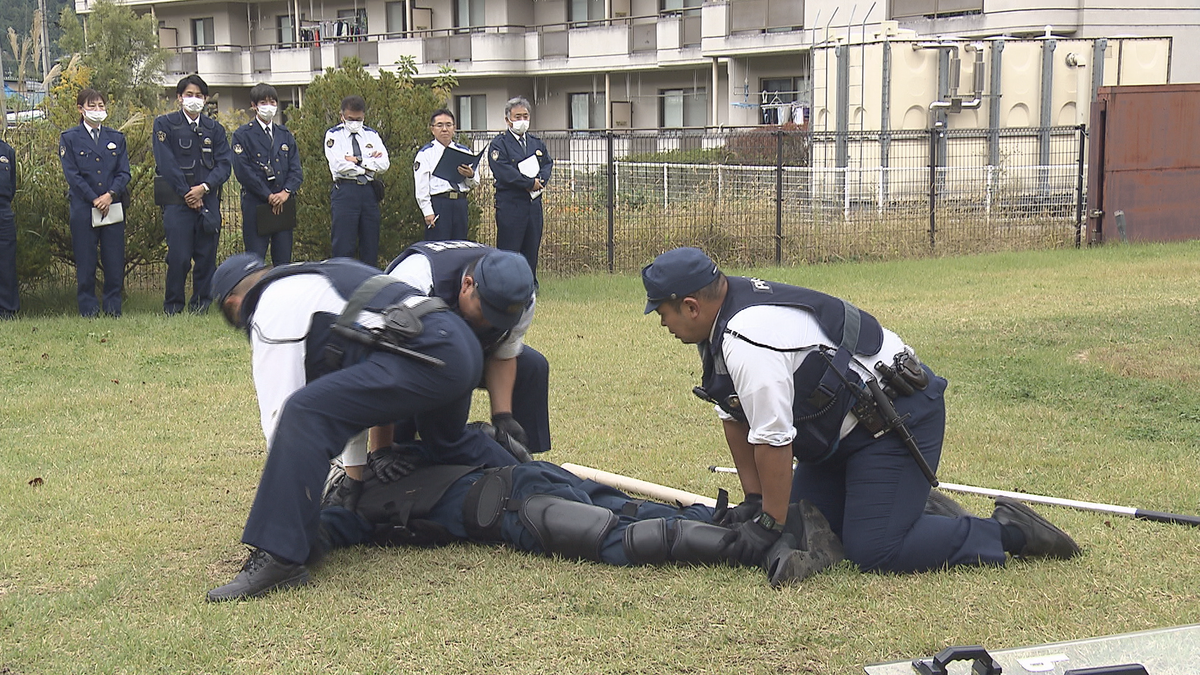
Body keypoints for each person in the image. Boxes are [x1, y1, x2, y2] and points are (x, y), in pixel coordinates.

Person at [641, 247, 1082, 574]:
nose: (662, 324)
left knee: (874, 550)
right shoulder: (719, 325)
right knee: (806, 523)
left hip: (896, 422)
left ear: (692, 306)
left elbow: (774, 439)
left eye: (663, 313)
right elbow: (734, 416)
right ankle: (903, 503)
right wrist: (757, 502)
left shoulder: (746, 338)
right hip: (843, 437)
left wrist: (769, 524)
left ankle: (1007, 531)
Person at [204, 250, 535, 601]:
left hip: (433, 354)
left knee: (301, 412)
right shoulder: (318, 276)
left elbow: (285, 418)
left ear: (234, 303)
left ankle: (279, 556)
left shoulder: (270, 309)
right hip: (456, 345)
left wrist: (295, 511)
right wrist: (355, 473)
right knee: (449, 442)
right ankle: (537, 481)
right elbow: (351, 387)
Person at [315, 444, 846, 588]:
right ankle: (776, 524)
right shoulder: (393, 455)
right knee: (630, 513)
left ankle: (757, 547)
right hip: (530, 481)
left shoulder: (356, 498)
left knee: (618, 538)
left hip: (511, 506)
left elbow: (323, 529)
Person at [385, 240, 551, 454]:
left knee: (532, 366)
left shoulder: (519, 295)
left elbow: (503, 353)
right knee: (452, 369)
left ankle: (523, 463)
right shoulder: (413, 284)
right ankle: (410, 448)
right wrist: (382, 449)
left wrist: (503, 417)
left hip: (465, 350)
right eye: (487, 313)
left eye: (501, 319)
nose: (491, 325)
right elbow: (385, 362)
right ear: (467, 285)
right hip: (413, 358)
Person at [152, 74, 232, 315]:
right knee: (179, 257)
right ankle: (173, 306)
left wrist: (203, 189)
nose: (194, 99)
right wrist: (187, 193)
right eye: (189, 95)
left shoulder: (214, 129)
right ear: (179, 98)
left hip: (207, 200)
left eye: (198, 96)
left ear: (206, 99)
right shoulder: (165, 125)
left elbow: (224, 164)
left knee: (206, 257)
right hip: (177, 202)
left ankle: (202, 305)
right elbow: (166, 163)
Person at [59, 88, 131, 318]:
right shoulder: (69, 138)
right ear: (80, 109)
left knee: (113, 259)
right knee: (86, 260)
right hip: (83, 207)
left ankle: (112, 308)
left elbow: (124, 172)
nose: (98, 111)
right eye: (92, 106)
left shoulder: (116, 138)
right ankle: (88, 309)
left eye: (101, 106)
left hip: (112, 206)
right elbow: (72, 175)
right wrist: (94, 198)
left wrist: (110, 195)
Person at [231, 83, 302, 265]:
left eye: (272, 101)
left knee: (283, 261)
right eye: (263, 102)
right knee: (255, 262)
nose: (268, 106)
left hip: (283, 204)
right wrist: (268, 195)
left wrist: (285, 193)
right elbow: (243, 171)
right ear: (254, 105)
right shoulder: (242, 135)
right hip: (257, 204)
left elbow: (295, 169)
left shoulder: (284, 134)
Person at [487, 97, 552, 280]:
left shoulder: (535, 143)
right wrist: (528, 183)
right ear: (508, 120)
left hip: (533, 205)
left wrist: (541, 180)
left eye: (525, 116)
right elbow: (503, 171)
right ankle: (506, 284)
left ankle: (529, 284)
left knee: (531, 247)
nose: (522, 120)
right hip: (511, 205)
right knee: (509, 249)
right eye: (517, 117)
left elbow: (547, 163)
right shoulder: (499, 144)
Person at [325, 95, 389, 266]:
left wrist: (358, 160)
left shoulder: (371, 135)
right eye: (350, 119)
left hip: (368, 192)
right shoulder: (334, 135)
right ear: (342, 116)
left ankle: (369, 287)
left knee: (370, 244)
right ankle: (342, 284)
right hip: (346, 191)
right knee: (343, 245)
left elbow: (384, 164)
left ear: (364, 116)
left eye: (358, 119)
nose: (354, 122)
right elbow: (339, 165)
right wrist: (369, 163)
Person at [413, 108, 478, 242]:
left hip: (460, 203)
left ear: (454, 128)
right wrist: (427, 212)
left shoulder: (463, 151)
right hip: (439, 204)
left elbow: (475, 182)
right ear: (432, 129)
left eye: (448, 125)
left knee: (459, 247)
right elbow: (421, 186)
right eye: (440, 125)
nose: (444, 129)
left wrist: (470, 175)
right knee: (439, 248)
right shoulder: (426, 154)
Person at [0, 136, 18, 320]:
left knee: (5, 262)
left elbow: (11, 186)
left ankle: (7, 310)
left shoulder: (6, 151)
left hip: (3, 210)